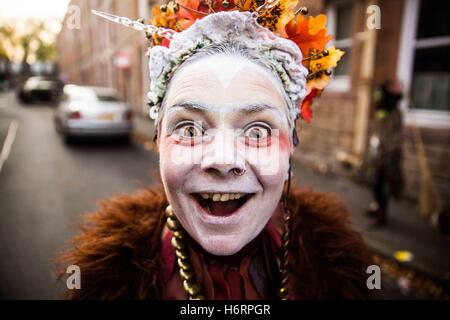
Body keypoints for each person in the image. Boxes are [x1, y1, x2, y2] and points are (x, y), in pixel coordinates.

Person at [59, 0, 373, 299]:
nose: (223, 160)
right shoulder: (107, 285)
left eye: (258, 130)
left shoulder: (336, 274)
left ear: (290, 146)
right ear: (158, 142)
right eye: (190, 130)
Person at [367, 80, 404, 227]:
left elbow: (396, 136)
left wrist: (388, 151)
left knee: (382, 185)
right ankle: (378, 207)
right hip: (380, 154)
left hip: (389, 156)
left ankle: (382, 215)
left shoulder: (395, 113)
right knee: (376, 184)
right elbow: (379, 128)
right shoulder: (382, 110)